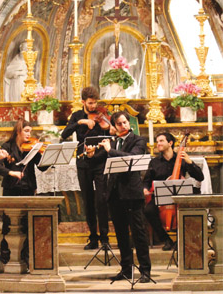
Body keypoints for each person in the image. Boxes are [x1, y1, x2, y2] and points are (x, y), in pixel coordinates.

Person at [96, 111, 151, 283]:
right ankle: (126, 269)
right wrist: (91, 154)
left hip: (132, 193)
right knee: (121, 234)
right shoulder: (111, 141)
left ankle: (145, 271)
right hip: (114, 194)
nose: (124, 126)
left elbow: (132, 157)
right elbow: (98, 161)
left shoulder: (138, 140)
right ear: (114, 126)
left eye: (125, 122)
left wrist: (110, 150)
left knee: (138, 233)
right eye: (119, 124)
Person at [61, 86, 114, 250]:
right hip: (83, 163)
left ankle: (105, 239)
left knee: (101, 200)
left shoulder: (102, 115)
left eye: (95, 103)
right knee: (88, 201)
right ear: (83, 102)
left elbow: (112, 133)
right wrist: (82, 122)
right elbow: (64, 134)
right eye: (90, 103)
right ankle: (93, 237)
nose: (93, 107)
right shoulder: (77, 116)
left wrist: (109, 127)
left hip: (100, 161)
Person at [0, 118, 49, 266]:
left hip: (28, 188)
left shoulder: (32, 148)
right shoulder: (7, 146)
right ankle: (6, 254)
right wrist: (11, 173)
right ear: (18, 131)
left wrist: (48, 157)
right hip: (11, 189)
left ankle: (26, 256)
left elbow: (42, 167)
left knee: (27, 224)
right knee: (8, 223)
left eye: (30, 131)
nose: (29, 134)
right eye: (26, 131)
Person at [143, 132, 204, 251]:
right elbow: (147, 180)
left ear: (170, 143)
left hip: (179, 196)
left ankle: (182, 240)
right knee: (148, 210)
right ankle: (166, 239)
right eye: (157, 141)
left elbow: (200, 177)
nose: (158, 144)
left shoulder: (181, 159)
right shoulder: (154, 162)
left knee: (189, 211)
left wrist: (189, 162)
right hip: (161, 197)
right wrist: (145, 189)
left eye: (161, 141)